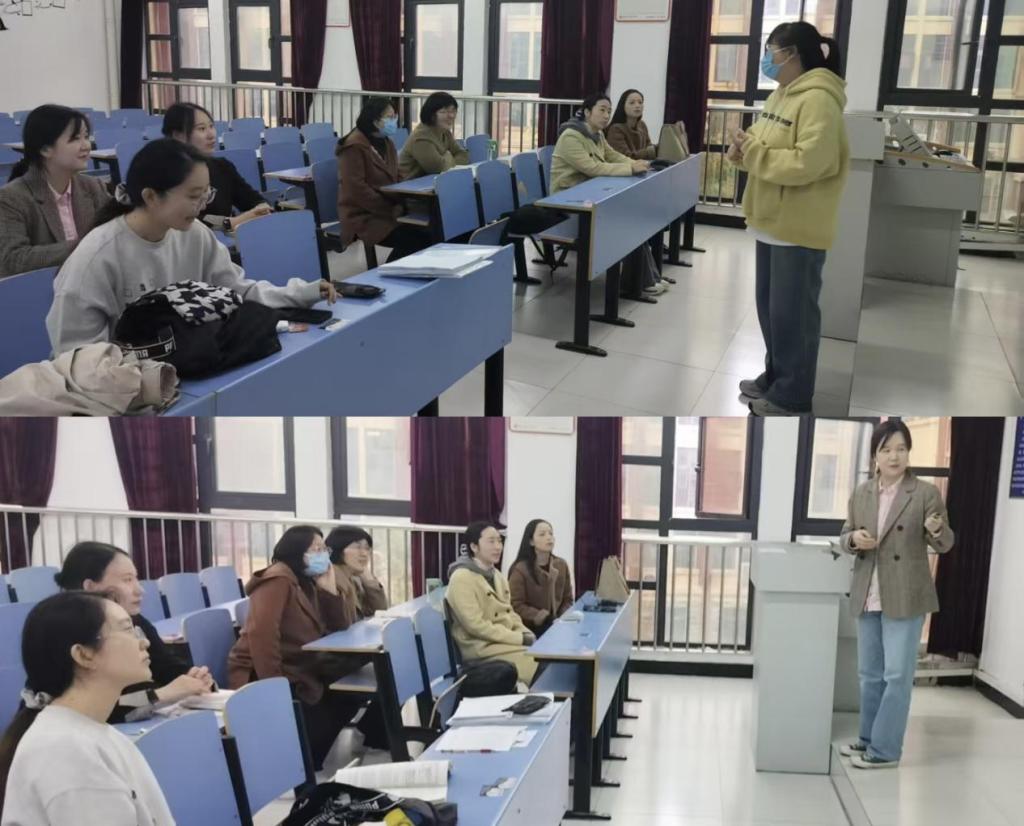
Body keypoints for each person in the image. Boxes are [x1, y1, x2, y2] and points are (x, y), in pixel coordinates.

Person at [46, 138, 336, 356]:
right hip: (118, 387)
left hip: (186, 365)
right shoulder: (97, 256)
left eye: (205, 194)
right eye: (193, 196)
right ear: (151, 197)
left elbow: (237, 292)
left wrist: (301, 293)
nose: (202, 206)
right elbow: (75, 355)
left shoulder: (195, 234)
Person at [727, 21, 849, 415]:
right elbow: (764, 145)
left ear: (793, 54)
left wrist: (754, 153)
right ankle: (776, 376)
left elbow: (808, 163)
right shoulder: (782, 94)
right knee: (772, 311)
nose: (767, 58)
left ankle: (794, 395)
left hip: (798, 224)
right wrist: (742, 149)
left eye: (771, 51)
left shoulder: (819, 100)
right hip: (770, 220)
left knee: (794, 315)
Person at [838, 420, 954, 769]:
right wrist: (854, 539)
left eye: (901, 449)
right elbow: (845, 535)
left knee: (897, 676)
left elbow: (945, 544)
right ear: (875, 454)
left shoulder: (924, 493)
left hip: (905, 593)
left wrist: (937, 529)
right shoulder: (862, 493)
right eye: (886, 449)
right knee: (869, 675)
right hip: (868, 592)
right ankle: (868, 739)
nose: (894, 456)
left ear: (908, 453)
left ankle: (886, 750)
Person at [0, 592, 174, 825]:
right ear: (84, 655)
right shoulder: (65, 752)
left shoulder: (88, 732)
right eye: (127, 630)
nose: (144, 642)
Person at [227, 525, 384, 769]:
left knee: (351, 689)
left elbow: (340, 627)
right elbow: (262, 637)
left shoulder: (307, 580)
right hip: (270, 672)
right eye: (316, 549)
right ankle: (301, 763)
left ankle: (310, 759)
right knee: (341, 696)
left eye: (324, 549)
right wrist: (275, 689)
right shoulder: (277, 580)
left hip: (303, 664)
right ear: (297, 550)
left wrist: (329, 591)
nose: (323, 555)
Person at [54, 541, 214, 723]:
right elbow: (100, 707)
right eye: (127, 580)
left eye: (136, 579)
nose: (140, 590)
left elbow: (165, 665)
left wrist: (193, 677)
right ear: (90, 587)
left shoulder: (135, 620)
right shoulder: (66, 635)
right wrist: (161, 695)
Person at [551, 93, 663, 296]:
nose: (606, 115)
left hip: (591, 196)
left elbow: (613, 156)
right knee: (624, 220)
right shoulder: (570, 137)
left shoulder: (598, 135)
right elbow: (593, 168)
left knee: (633, 216)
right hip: (568, 204)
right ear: (587, 112)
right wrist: (630, 169)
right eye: (601, 110)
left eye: (609, 111)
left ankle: (648, 277)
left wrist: (638, 163)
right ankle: (639, 282)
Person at [0, 105, 110, 278]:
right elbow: (13, 260)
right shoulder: (11, 198)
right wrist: (86, 246)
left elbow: (114, 233)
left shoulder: (93, 187)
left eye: (86, 137)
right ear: (45, 149)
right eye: (75, 139)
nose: (86, 146)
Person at [337, 97, 432, 262]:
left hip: (390, 207)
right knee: (416, 240)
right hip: (365, 215)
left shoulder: (386, 142)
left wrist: (403, 200)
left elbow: (397, 174)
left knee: (430, 230)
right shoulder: (353, 146)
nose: (394, 121)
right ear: (375, 120)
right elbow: (357, 190)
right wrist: (390, 208)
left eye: (395, 116)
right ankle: (389, 272)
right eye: (390, 117)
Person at [446, 521, 538, 684]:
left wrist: (526, 633)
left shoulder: (497, 575)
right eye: (491, 541)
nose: (498, 547)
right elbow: (476, 626)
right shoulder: (461, 578)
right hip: (480, 647)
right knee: (536, 663)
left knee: (543, 655)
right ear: (474, 547)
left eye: (499, 541)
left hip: (501, 641)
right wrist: (519, 638)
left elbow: (510, 613)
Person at [162, 101, 272, 234]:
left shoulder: (222, 166)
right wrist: (232, 222)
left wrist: (262, 209)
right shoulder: (166, 173)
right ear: (178, 135)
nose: (211, 135)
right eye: (202, 129)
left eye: (211, 126)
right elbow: (182, 221)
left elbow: (253, 200)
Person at [508, 519, 574, 635]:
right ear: (531, 541)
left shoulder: (561, 565)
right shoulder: (520, 569)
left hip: (559, 624)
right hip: (531, 628)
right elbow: (516, 605)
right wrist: (544, 617)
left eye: (551, 533)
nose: (549, 538)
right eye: (542, 534)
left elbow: (567, 599)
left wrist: (562, 618)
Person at [398, 92, 470, 181]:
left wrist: (448, 160)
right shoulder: (421, 137)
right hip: (408, 185)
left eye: (453, 111)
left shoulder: (445, 132)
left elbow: (463, 155)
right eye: (444, 112)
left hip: (430, 182)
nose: (451, 115)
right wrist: (448, 156)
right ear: (431, 115)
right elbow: (438, 169)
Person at [325, 525, 389, 623]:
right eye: (357, 547)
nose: (364, 554)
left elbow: (378, 611)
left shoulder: (353, 580)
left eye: (367, 548)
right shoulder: (330, 580)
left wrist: (369, 580)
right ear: (338, 548)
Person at [605, 89, 657, 161]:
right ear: (623, 106)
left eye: (640, 102)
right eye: (632, 103)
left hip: (644, 166)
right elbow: (625, 157)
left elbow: (649, 146)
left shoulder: (642, 125)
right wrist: (653, 150)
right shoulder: (615, 129)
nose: (637, 106)